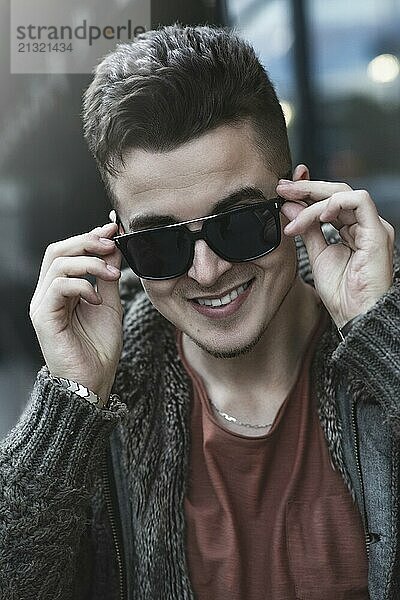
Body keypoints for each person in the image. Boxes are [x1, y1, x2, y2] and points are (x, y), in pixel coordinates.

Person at [0, 24, 399, 600]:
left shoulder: (384, 348)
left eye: (238, 223)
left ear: (297, 200)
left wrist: (381, 334)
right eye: (161, 244)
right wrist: (71, 400)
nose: (206, 272)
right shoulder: (104, 403)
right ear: (120, 244)